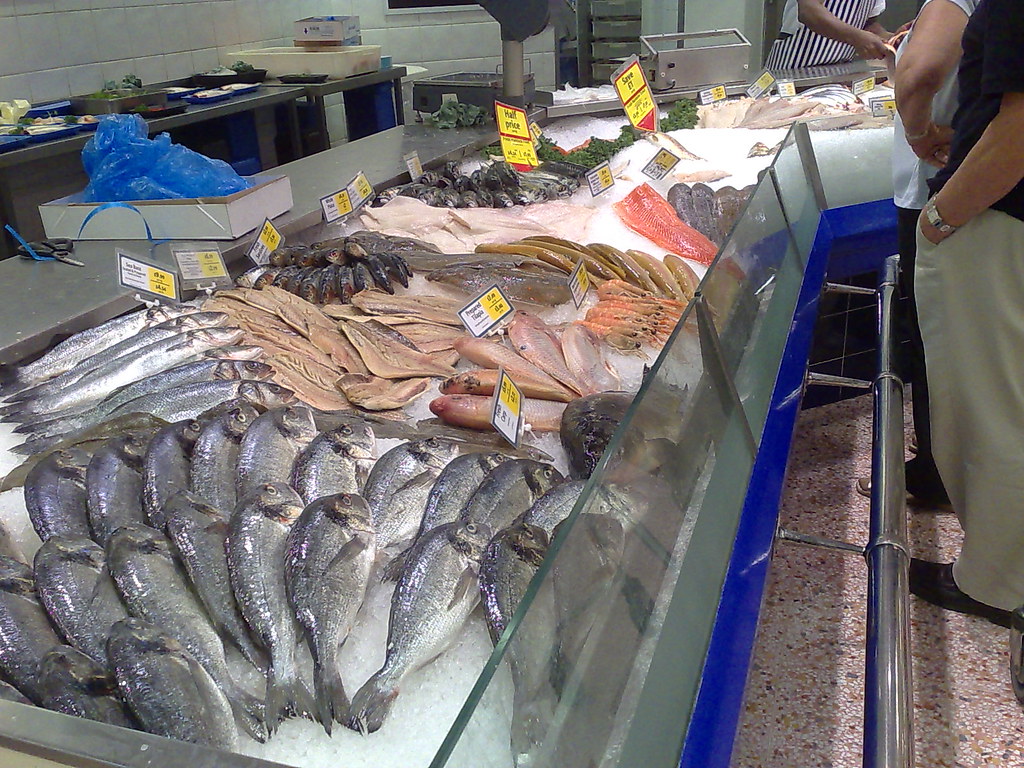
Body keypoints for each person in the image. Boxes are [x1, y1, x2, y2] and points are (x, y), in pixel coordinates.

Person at [910, 0, 1024, 628]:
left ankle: (995, 583)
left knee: (994, 408)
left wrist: (942, 216)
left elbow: (1020, 129)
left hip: (1000, 221)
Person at [879, 0, 978, 509]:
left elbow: (919, 76)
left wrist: (920, 134)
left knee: (930, 339)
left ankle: (935, 477)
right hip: (962, 188)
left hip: (934, 192)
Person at [765, 0, 892, 71]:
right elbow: (809, 12)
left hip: (837, 72)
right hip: (794, 66)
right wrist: (858, 38)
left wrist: (894, 39)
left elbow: (868, 24)